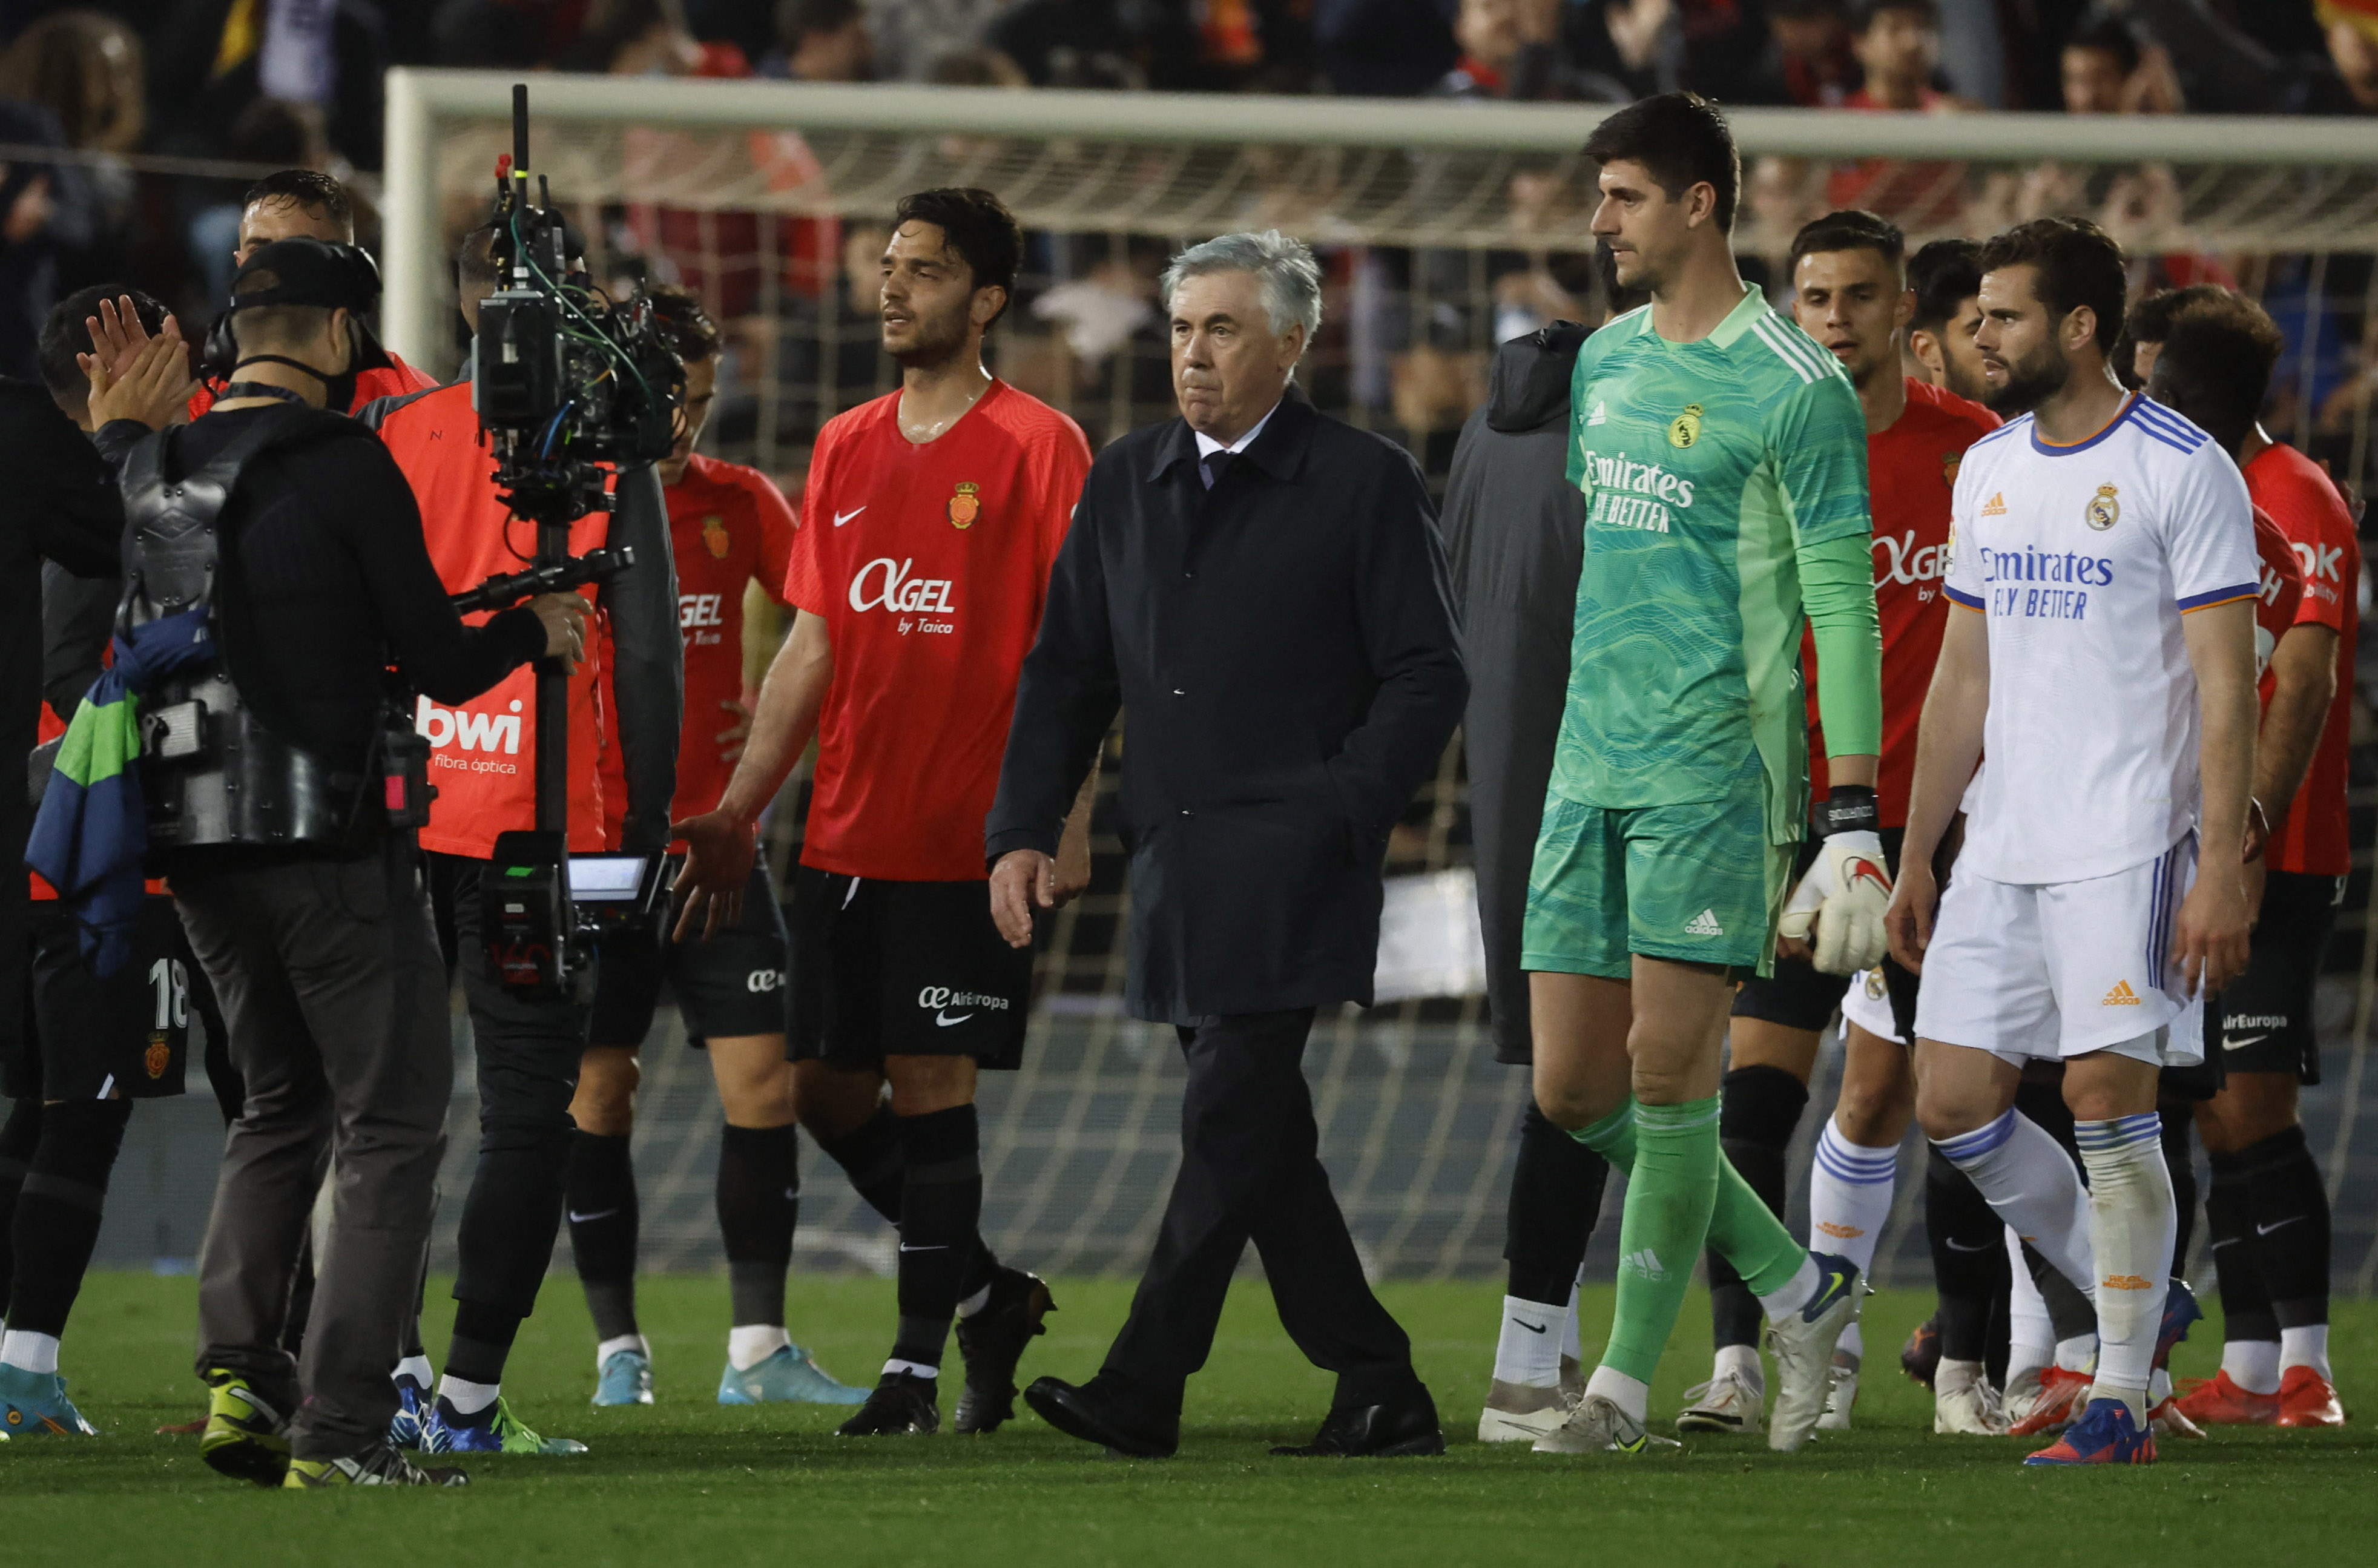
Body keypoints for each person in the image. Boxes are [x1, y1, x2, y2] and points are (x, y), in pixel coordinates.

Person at [87, 238, 583, 1486]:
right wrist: (539, 621)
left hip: (192, 849)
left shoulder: (149, 465)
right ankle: (347, 1427)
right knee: (392, 1119)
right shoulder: (346, 460)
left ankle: (244, 1386)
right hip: (328, 838)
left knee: (275, 1103)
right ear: (336, 333)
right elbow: (436, 657)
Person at [983, 227, 1463, 1461]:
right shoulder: (1125, 475)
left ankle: (1145, 1383)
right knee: (1259, 1138)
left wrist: (1339, 805)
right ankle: (1377, 1379)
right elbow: (1066, 674)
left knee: (1227, 1117)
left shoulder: (1362, 479)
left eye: (1222, 328)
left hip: (1295, 856)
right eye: (1182, 328)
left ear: (1292, 344)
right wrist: (1025, 827)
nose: (1191, 354)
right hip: (1176, 859)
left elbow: (1427, 671)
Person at [673, 188, 1092, 1438]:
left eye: (924, 269)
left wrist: (1054, 811)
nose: (893, 287)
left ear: (987, 299)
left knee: (928, 1081)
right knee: (820, 1090)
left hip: (969, 833)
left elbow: (1073, 650)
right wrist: (743, 805)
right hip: (842, 832)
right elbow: (810, 644)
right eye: (889, 265)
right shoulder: (848, 443)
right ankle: (986, 1292)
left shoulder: (1037, 444)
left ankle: (911, 1372)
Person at [1523, 92, 1875, 1458]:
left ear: (1696, 206)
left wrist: (1848, 808)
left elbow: (1838, 604)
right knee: (1569, 1088)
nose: (1596, 219)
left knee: (1669, 1084)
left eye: (1618, 194)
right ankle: (1801, 1284)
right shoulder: (1603, 363)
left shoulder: (1794, 386)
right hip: (1584, 764)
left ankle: (1613, 1387)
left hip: (1715, 771)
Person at [1890, 216, 2259, 1468]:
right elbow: (1960, 676)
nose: (1977, 334)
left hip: (2127, 836)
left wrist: (2218, 859)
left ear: (2078, 327)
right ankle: (2135, 1297)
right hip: (2000, 837)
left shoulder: (2180, 467)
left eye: (2000, 315)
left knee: (2107, 1097)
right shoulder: (1987, 468)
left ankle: (2117, 1394)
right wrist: (1917, 850)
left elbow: (2224, 682)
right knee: (1947, 1100)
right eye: (1976, 316)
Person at [1675, 209, 2003, 1440]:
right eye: (1812, 299)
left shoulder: (1973, 452)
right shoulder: (1758, 450)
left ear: (1901, 312)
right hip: (1787, 824)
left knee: (1957, 1105)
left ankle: (1964, 1369)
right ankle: (1738, 1361)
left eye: (1857, 298)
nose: (1832, 321)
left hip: (1942, 836)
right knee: (1750, 1104)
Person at [357, 228, 683, 1459]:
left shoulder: (396, 433)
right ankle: (474, 1402)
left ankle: (388, 1368)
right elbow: (646, 656)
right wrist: (642, 827)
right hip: (544, 829)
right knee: (526, 1114)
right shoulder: (609, 448)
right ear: (582, 304)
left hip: (402, 811)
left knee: (389, 1110)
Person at [562, 286, 863, 1411]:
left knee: (765, 1087)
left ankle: (756, 1352)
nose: (680, 424)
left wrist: (771, 713)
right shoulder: (563, 510)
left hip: (713, 849)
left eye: (697, 400)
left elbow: (823, 626)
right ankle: (617, 1355)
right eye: (661, 398)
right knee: (599, 1096)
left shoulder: (740, 503)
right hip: (592, 854)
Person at [2139, 301, 2356, 1431]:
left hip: (2284, 848)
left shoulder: (2295, 497)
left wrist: (2249, 828)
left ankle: (2307, 1369)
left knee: (2255, 1105)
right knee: (2205, 1111)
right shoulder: (2189, 490)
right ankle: (2254, 1368)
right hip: (2188, 849)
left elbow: (2306, 677)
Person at [1439, 316, 1613, 1443]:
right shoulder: (1624, 440)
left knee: (1573, 1082)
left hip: (1503, 793)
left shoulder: (1476, 438)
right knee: (1629, 1081)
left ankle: (1532, 1358)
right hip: (1620, 785)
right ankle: (1779, 1313)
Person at [0, 290, 140, 1438]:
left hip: (50, 835)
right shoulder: (78, 477)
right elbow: (65, 666)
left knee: (47, 1102)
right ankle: (27, 1365)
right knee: (82, 1099)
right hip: (80, 849)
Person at [187, 171, 436, 420]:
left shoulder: (417, 404)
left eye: (299, 250)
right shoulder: (197, 411)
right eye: (260, 251)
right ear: (240, 265)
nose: (276, 266)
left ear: (347, 265)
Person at [1905, 238, 1989, 403]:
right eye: (1977, 330)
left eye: (2007, 322)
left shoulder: (2049, 424)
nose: (2001, 341)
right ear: (1927, 350)